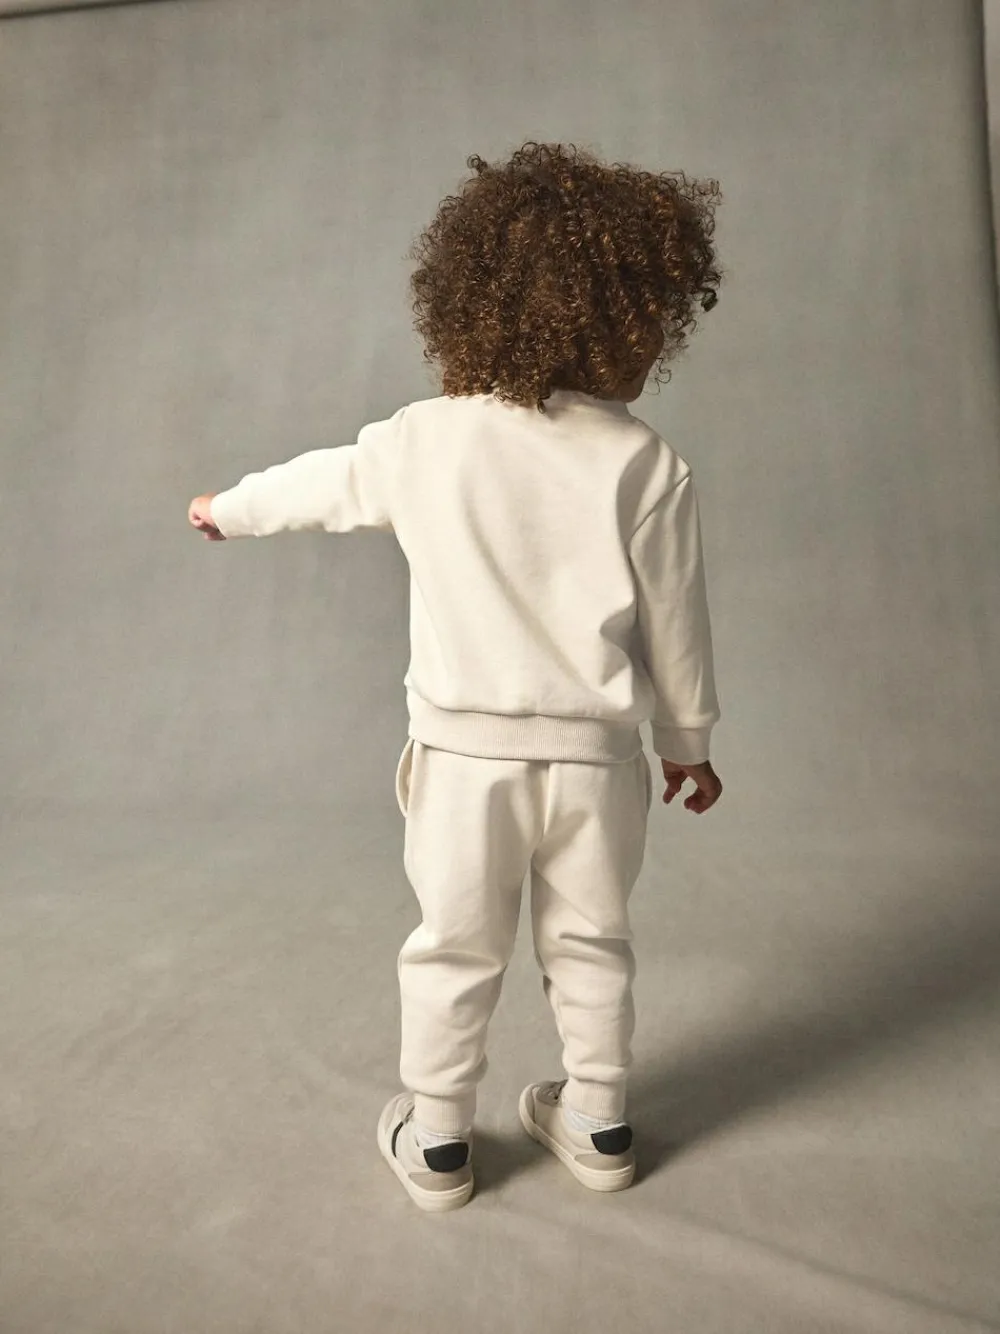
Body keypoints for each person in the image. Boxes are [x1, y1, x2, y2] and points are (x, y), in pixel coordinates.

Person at [188, 141, 724, 1214]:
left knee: (452, 948)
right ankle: (599, 1119)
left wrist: (225, 508)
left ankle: (438, 1140)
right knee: (592, 940)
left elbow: (319, 484)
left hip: (464, 762)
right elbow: (678, 623)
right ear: (629, 320)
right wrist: (689, 746)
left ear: (474, 301)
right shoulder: (646, 464)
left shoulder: (425, 440)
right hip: (596, 766)